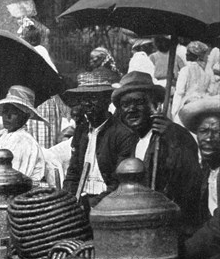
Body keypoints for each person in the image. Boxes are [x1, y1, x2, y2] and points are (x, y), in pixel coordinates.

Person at [113, 71, 202, 234]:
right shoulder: (132, 141)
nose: (131, 109)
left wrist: (173, 140)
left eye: (138, 102)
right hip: (141, 226)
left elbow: (191, 186)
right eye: (125, 104)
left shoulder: (174, 135)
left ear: (154, 105)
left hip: (172, 229)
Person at [62, 71, 137, 204]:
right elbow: (73, 172)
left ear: (107, 100)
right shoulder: (81, 131)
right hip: (82, 200)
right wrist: (67, 199)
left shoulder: (122, 134)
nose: (87, 104)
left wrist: (94, 204)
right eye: (83, 99)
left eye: (93, 97)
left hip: (109, 203)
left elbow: (119, 182)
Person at [0, 86, 47, 182]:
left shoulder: (23, 141)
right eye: (5, 111)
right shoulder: (6, 134)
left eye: (14, 112)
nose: (7, 116)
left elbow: (10, 178)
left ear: (25, 116)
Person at [21, 25, 69, 149]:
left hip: (42, 103)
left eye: (23, 37)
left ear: (31, 40)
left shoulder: (37, 52)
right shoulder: (38, 52)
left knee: (42, 144)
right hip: (40, 102)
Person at [179, 96, 220, 223]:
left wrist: (189, 243)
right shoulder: (207, 171)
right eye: (203, 131)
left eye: (216, 132)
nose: (208, 138)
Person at [171, 41, 212, 123]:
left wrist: (174, 112)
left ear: (195, 55)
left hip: (187, 105)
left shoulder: (186, 70)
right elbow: (210, 90)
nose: (186, 54)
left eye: (188, 52)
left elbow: (179, 92)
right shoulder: (208, 71)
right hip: (203, 105)